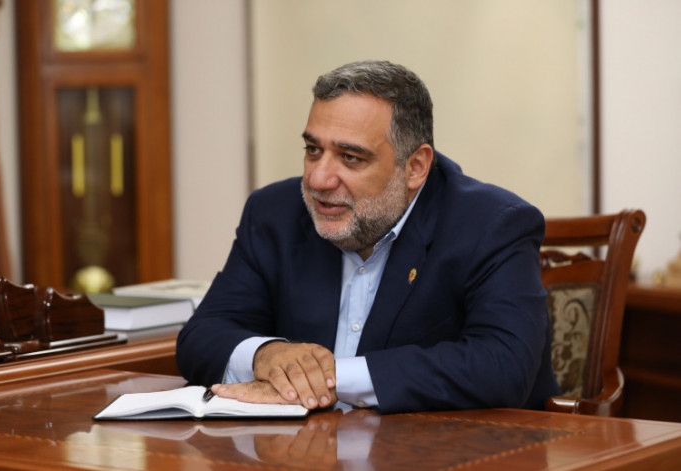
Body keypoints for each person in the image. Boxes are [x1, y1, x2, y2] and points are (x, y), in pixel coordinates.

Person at [176, 60, 560, 414]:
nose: (318, 179)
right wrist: (266, 355)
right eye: (313, 150)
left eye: (350, 158)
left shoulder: (490, 224)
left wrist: (327, 377)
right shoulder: (274, 213)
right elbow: (202, 335)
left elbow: (503, 364)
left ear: (415, 166)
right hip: (308, 449)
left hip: (454, 450)